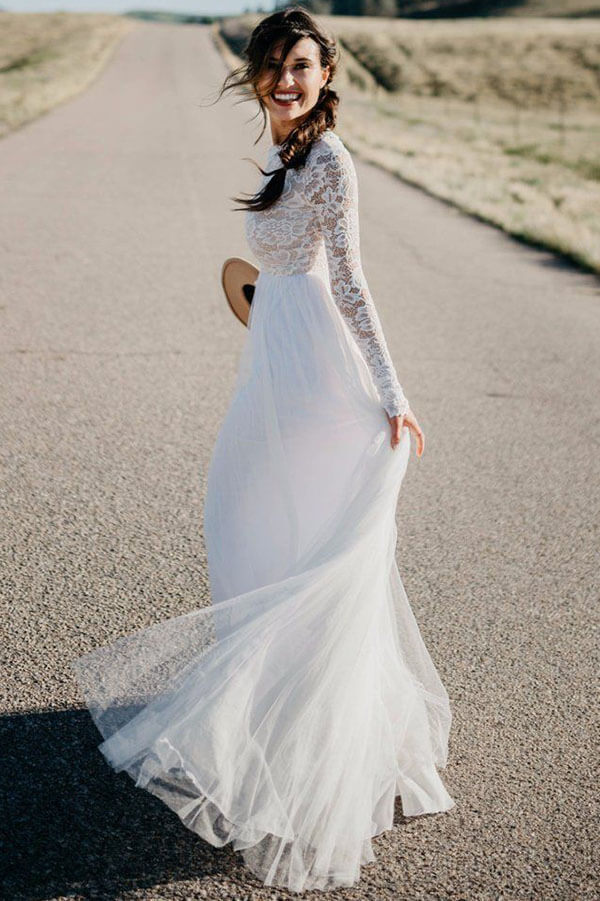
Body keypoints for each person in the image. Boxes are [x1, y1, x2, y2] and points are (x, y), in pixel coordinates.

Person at [70, 7, 456, 894]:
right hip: (276, 368)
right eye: (275, 64)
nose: (287, 79)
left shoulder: (330, 160)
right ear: (256, 73)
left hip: (320, 380)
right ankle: (278, 712)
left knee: (296, 540)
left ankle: (312, 736)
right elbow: (277, 276)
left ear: (326, 77)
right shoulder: (286, 153)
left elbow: (351, 282)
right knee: (246, 524)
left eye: (303, 66)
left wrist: (394, 395)